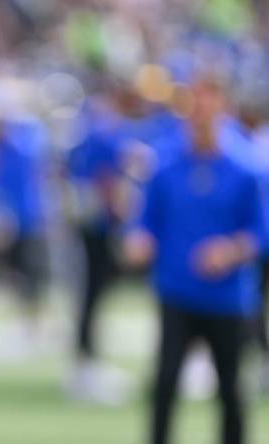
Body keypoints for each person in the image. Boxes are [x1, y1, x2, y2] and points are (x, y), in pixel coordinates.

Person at [124, 77, 264, 444]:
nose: (201, 113)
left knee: (231, 388)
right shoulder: (166, 163)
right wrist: (139, 238)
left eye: (208, 103)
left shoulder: (246, 166)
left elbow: (261, 230)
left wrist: (231, 250)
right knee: (166, 380)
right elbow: (146, 218)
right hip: (176, 289)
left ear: (223, 108)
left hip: (227, 298)